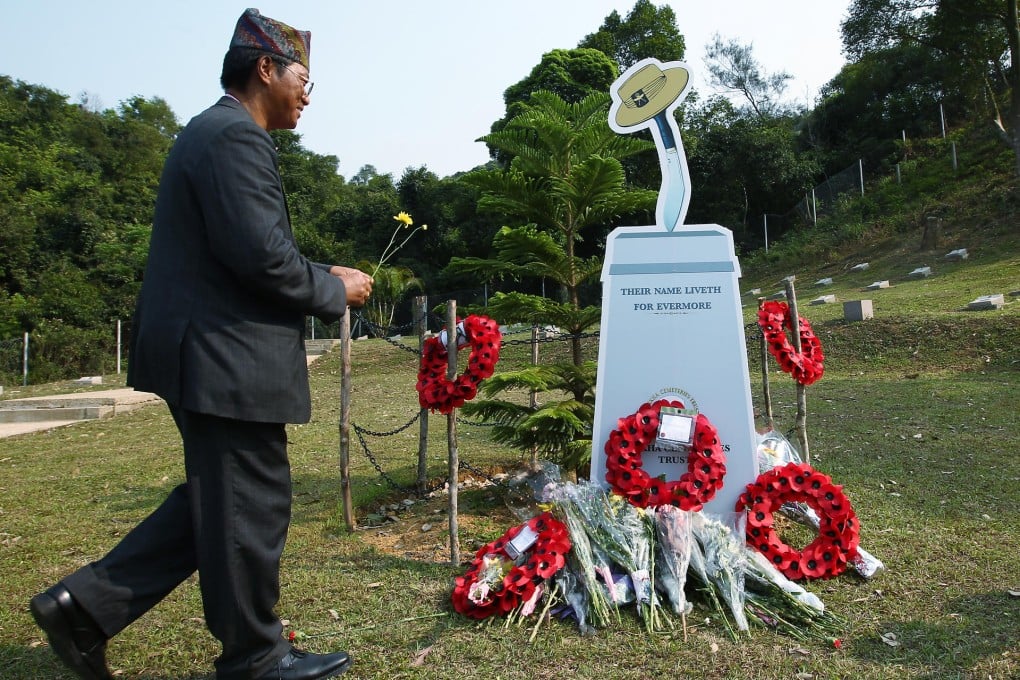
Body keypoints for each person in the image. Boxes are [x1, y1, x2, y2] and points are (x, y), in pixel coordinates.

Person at [29, 8, 372, 680]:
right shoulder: (233, 139)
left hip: (212, 353)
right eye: (304, 78)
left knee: (223, 503)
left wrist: (318, 272)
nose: (308, 94)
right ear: (266, 68)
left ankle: (83, 608)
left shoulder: (215, 134)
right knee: (249, 503)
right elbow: (262, 259)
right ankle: (255, 656)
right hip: (223, 356)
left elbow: (243, 251)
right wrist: (335, 292)